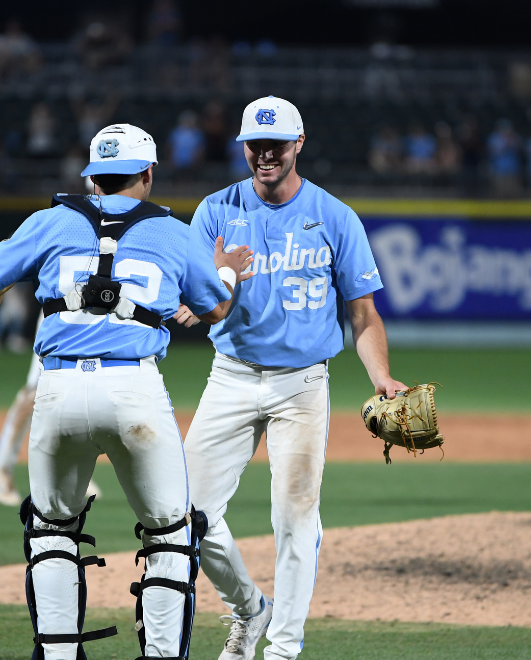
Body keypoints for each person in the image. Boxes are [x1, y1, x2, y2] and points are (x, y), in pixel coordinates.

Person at [0, 123, 254, 660]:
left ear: (92, 177)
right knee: (170, 535)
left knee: (51, 533)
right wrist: (227, 273)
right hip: (134, 388)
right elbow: (215, 309)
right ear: (148, 173)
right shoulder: (172, 232)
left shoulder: (49, 222)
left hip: (58, 387)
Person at [176, 96, 406, 660]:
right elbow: (201, 303)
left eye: (276, 145)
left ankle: (282, 650)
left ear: (299, 144)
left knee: (295, 516)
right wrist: (209, 290)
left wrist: (382, 377)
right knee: (182, 514)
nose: (265, 155)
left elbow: (363, 313)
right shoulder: (214, 211)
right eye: (255, 144)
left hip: (301, 385)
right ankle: (251, 609)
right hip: (229, 376)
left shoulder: (334, 217)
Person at [0, 341, 103, 507]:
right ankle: (1, 465)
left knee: (79, 383)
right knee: (36, 389)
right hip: (55, 319)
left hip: (90, 321)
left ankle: (70, 467)